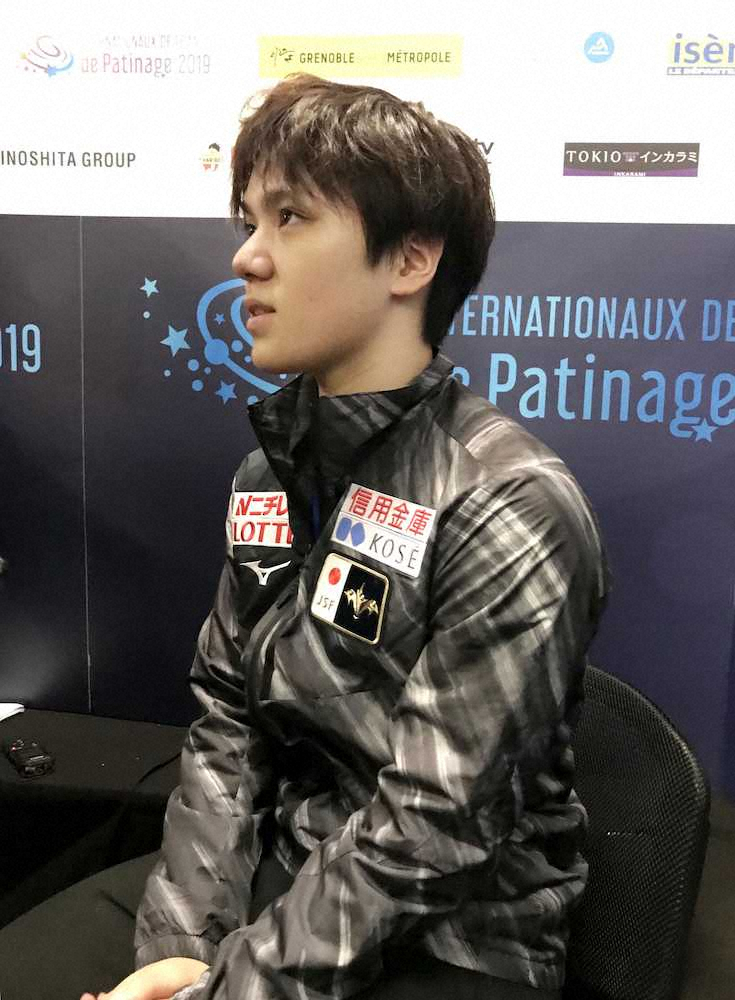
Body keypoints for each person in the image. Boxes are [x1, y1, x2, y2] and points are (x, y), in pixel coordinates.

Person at [0, 74, 608, 1000]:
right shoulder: (269, 474)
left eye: (290, 218)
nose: (247, 256)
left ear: (410, 258)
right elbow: (227, 713)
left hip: (456, 940)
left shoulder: (508, 503)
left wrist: (219, 992)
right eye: (249, 220)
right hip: (278, 877)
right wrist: (182, 947)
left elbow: (433, 829)